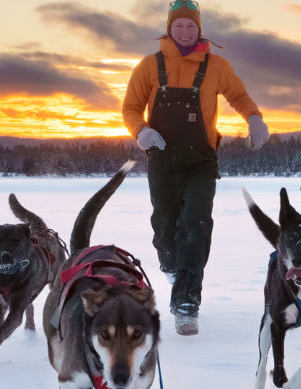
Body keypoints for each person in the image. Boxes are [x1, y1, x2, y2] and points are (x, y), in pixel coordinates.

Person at [121, 0, 267, 335]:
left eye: (191, 25)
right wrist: (141, 131)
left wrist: (255, 119)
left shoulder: (216, 65)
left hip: (201, 161)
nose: (185, 31)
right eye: (179, 25)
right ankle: (172, 265)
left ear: (199, 29)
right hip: (162, 160)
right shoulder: (148, 66)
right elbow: (130, 107)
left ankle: (187, 304)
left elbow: (240, 97)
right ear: (169, 28)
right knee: (165, 229)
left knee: (196, 226)